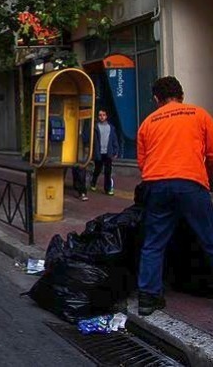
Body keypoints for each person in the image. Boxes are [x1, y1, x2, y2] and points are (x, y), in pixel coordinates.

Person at [136, 76, 213, 316]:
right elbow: (211, 154)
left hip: (156, 185)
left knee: (154, 243)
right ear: (181, 95)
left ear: (156, 99)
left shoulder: (148, 122)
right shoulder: (199, 115)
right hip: (191, 182)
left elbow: (143, 163)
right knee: (209, 239)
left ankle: (148, 298)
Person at [90, 108, 119, 195]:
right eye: (100, 115)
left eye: (103, 115)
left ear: (106, 116)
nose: (102, 117)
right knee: (97, 169)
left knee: (108, 171)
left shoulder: (111, 127)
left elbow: (114, 140)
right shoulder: (95, 127)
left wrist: (115, 151)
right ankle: (93, 182)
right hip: (99, 152)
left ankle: (108, 188)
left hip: (108, 152)